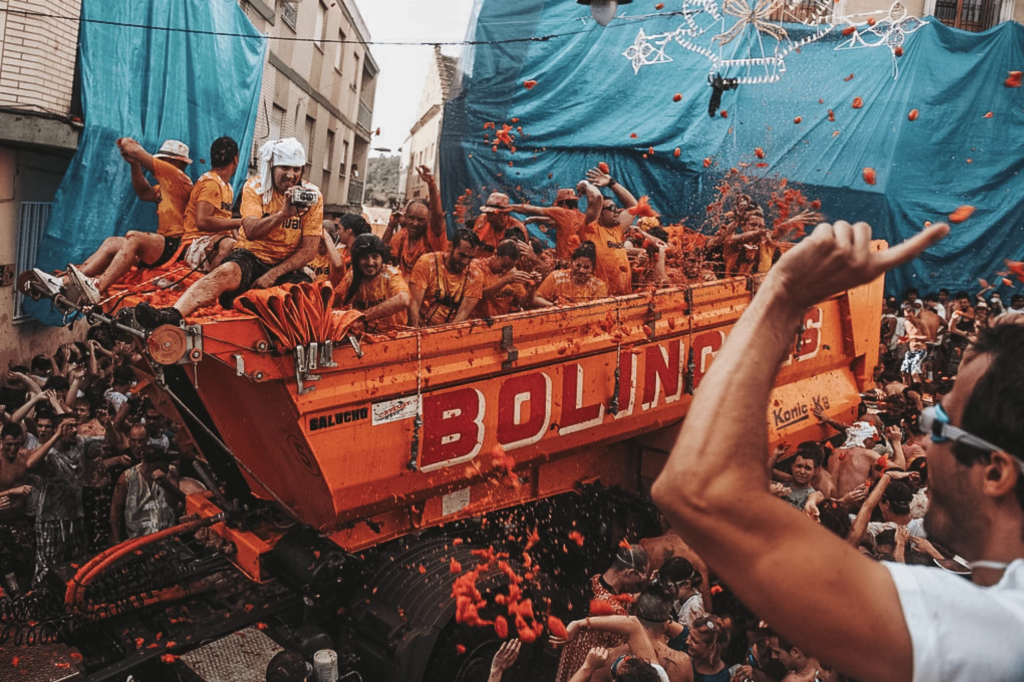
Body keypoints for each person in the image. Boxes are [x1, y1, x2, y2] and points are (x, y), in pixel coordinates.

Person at [655, 221, 1024, 682]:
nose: (926, 442)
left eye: (940, 424)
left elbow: (699, 490)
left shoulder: (999, 633)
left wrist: (784, 292)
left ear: (996, 473)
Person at [134, 138, 323, 327]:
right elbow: (250, 231)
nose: (291, 175)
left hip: (287, 264)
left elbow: (309, 249)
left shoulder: (312, 195)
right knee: (224, 272)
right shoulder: (254, 188)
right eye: (285, 168)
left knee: (303, 295)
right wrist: (283, 215)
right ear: (271, 167)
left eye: (296, 169)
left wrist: (273, 274)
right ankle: (172, 314)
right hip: (253, 255)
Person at [61, 138, 195, 304]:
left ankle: (97, 286)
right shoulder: (166, 187)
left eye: (162, 161)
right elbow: (145, 192)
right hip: (165, 245)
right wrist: (135, 165)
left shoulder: (178, 178)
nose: (158, 164)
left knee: (135, 238)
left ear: (173, 162)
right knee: (112, 242)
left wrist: (126, 143)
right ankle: (68, 280)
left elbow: (135, 150)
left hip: (176, 245)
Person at [555, 545, 650, 682]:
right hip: (590, 668)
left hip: (571, 660)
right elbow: (623, 645)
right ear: (629, 573)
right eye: (640, 581)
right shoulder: (615, 610)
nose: (639, 584)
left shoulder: (594, 581)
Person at [27, 415, 86, 587]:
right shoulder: (49, 453)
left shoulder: (79, 446)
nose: (73, 430)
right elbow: (30, 464)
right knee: (47, 568)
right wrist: (57, 435)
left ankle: (72, 604)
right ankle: (40, 606)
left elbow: (114, 443)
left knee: (77, 566)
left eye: (74, 426)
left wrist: (66, 422)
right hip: (51, 519)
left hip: (76, 515)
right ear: (57, 430)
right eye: (68, 428)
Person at [180, 137, 243, 274]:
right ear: (235, 159)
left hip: (215, 242)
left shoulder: (227, 187)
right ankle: (206, 285)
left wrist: (240, 239)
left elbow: (227, 220)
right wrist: (240, 222)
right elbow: (202, 222)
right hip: (195, 243)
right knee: (229, 246)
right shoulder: (211, 183)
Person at [580, 167, 639, 296]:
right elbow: (596, 199)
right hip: (600, 298)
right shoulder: (590, 230)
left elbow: (634, 206)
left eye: (617, 207)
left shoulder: (616, 229)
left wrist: (612, 183)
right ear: (599, 214)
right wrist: (585, 185)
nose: (618, 211)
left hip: (624, 296)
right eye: (612, 208)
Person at [408, 228, 484, 327]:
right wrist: (417, 332)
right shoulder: (426, 262)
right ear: (450, 247)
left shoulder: (476, 275)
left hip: (450, 329)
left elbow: (463, 313)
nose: (465, 262)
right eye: (461, 255)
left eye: (470, 258)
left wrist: (446, 336)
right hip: (420, 324)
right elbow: (414, 305)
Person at [384, 166, 448, 279]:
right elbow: (383, 252)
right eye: (411, 218)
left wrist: (431, 184)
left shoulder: (433, 236)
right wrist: (390, 226)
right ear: (405, 217)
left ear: (428, 221)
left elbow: (437, 216)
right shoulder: (401, 237)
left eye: (420, 220)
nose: (415, 223)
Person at [510, 182, 603, 260]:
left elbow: (529, 209)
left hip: (564, 262)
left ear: (563, 203)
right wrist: (535, 219)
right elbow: (558, 223)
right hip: (580, 263)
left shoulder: (562, 212)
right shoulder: (582, 217)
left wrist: (509, 207)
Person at [338, 234, 411, 330]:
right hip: (361, 338)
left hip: (393, 337)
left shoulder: (391, 274)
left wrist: (362, 318)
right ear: (357, 260)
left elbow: (404, 300)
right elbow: (333, 299)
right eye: (364, 257)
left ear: (382, 258)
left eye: (375, 257)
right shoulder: (351, 276)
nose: (370, 262)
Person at [109, 444, 178, 542]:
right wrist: (117, 540)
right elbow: (116, 509)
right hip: (138, 540)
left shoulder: (171, 472)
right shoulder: (127, 478)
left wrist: (165, 483)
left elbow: (173, 503)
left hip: (166, 537)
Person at [0, 422, 34, 592]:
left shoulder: (25, 457)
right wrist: (13, 491)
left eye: (17, 444)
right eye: (9, 445)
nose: (13, 449)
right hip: (1, 521)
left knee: (25, 561)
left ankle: (25, 600)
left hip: (20, 518)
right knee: (5, 567)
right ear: (1, 442)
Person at [474, 240, 539, 318]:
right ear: (495, 254)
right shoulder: (477, 267)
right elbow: (476, 297)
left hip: (502, 322)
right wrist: (505, 280)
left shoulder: (512, 273)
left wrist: (531, 287)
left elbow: (523, 304)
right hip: (477, 322)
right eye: (503, 266)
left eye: (509, 267)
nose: (505, 271)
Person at [533, 242, 609, 307]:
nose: (581, 270)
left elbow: (599, 311)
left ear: (592, 269)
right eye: (578, 265)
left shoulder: (599, 286)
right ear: (571, 262)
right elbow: (536, 298)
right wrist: (554, 306)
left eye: (586, 267)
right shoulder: (556, 277)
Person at [659, 557, 705, 628]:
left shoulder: (691, 609)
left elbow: (686, 636)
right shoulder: (682, 597)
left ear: (686, 584)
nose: (666, 591)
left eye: (669, 587)